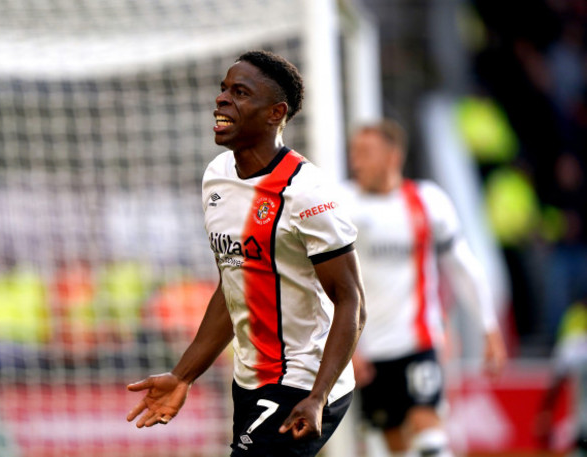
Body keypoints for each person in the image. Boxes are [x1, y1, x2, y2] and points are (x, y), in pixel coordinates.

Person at [126, 50, 366, 457]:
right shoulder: (216, 177)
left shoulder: (306, 193)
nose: (221, 99)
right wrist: (183, 376)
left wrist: (318, 395)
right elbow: (234, 284)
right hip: (250, 379)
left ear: (276, 113)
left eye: (239, 92)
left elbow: (351, 301)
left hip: (302, 380)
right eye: (223, 89)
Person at [344, 119, 507, 457]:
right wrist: (348, 349)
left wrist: (488, 327)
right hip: (370, 350)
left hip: (418, 340)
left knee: (430, 437)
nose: (356, 161)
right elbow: (329, 285)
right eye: (354, 153)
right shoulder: (342, 206)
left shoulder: (428, 202)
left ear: (393, 157)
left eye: (366, 153)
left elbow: (462, 267)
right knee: (392, 448)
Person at [535, 297, 587, 457]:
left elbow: (556, 382)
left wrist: (545, 413)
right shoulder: (577, 345)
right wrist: (545, 414)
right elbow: (556, 382)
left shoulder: (574, 346)